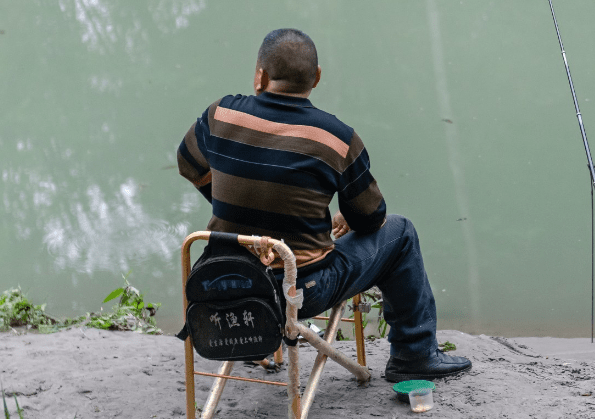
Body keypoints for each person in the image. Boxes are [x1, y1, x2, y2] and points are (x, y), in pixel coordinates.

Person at [176, 28, 471, 381]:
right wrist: (346, 214)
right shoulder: (335, 138)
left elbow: (188, 164)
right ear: (316, 78)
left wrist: (242, 218)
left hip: (224, 279)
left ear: (261, 76)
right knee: (401, 233)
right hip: (299, 292)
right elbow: (371, 219)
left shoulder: (219, 115)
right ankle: (414, 355)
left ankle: (257, 342)